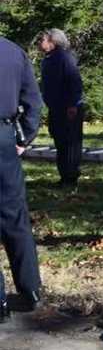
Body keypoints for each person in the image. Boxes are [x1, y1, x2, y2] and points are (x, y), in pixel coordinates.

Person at [0, 34, 43, 319]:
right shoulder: (13, 52)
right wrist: (23, 138)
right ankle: (31, 290)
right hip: (3, 139)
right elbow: (33, 102)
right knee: (14, 213)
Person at [37, 29, 84, 188]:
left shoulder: (64, 57)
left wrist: (73, 104)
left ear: (53, 41)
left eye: (42, 39)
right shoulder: (49, 59)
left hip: (69, 107)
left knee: (70, 143)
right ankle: (64, 176)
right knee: (60, 142)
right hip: (56, 107)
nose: (39, 42)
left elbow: (74, 81)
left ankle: (71, 178)